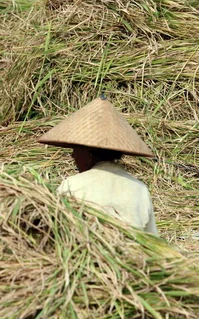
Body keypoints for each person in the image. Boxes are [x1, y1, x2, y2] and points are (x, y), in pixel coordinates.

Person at [38, 95, 158, 235]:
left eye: (75, 151)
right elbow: (152, 240)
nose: (72, 156)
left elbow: (55, 234)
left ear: (88, 154)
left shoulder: (72, 186)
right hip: (131, 256)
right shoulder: (140, 189)